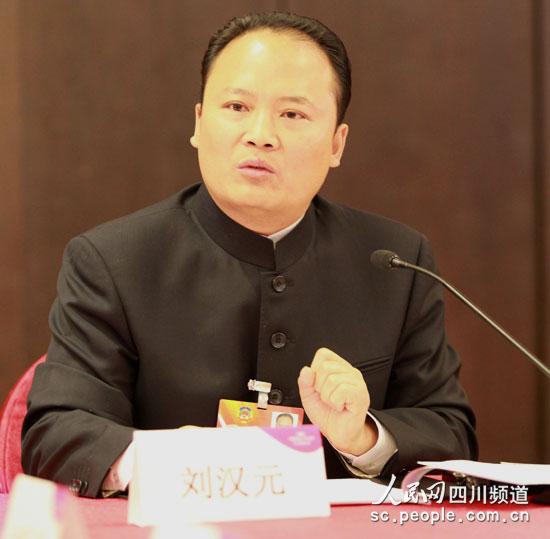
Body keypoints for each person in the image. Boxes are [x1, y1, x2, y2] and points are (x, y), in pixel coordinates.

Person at [22, 12, 477, 498]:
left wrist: (362, 437)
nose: (261, 134)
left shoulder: (395, 262)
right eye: (237, 106)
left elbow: (450, 431)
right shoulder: (113, 261)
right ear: (199, 123)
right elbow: (56, 432)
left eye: (293, 114)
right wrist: (162, 459)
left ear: (336, 143)